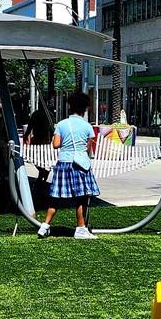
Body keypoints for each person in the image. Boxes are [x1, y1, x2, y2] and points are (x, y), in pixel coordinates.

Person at [36, 90, 100, 240]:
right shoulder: (87, 126)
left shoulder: (61, 124)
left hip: (63, 164)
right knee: (81, 197)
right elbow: (88, 149)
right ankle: (81, 229)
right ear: (85, 108)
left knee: (56, 197)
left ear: (70, 106)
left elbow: (56, 144)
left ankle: (44, 226)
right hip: (80, 165)